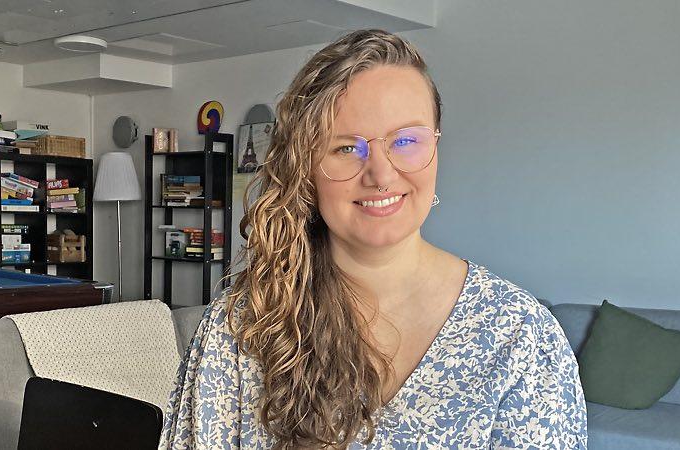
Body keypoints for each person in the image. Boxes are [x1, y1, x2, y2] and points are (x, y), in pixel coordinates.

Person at [160, 29, 587, 449]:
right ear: (305, 168)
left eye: (406, 140)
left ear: (436, 148)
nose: (381, 175)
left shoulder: (522, 338)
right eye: (347, 148)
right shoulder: (241, 327)